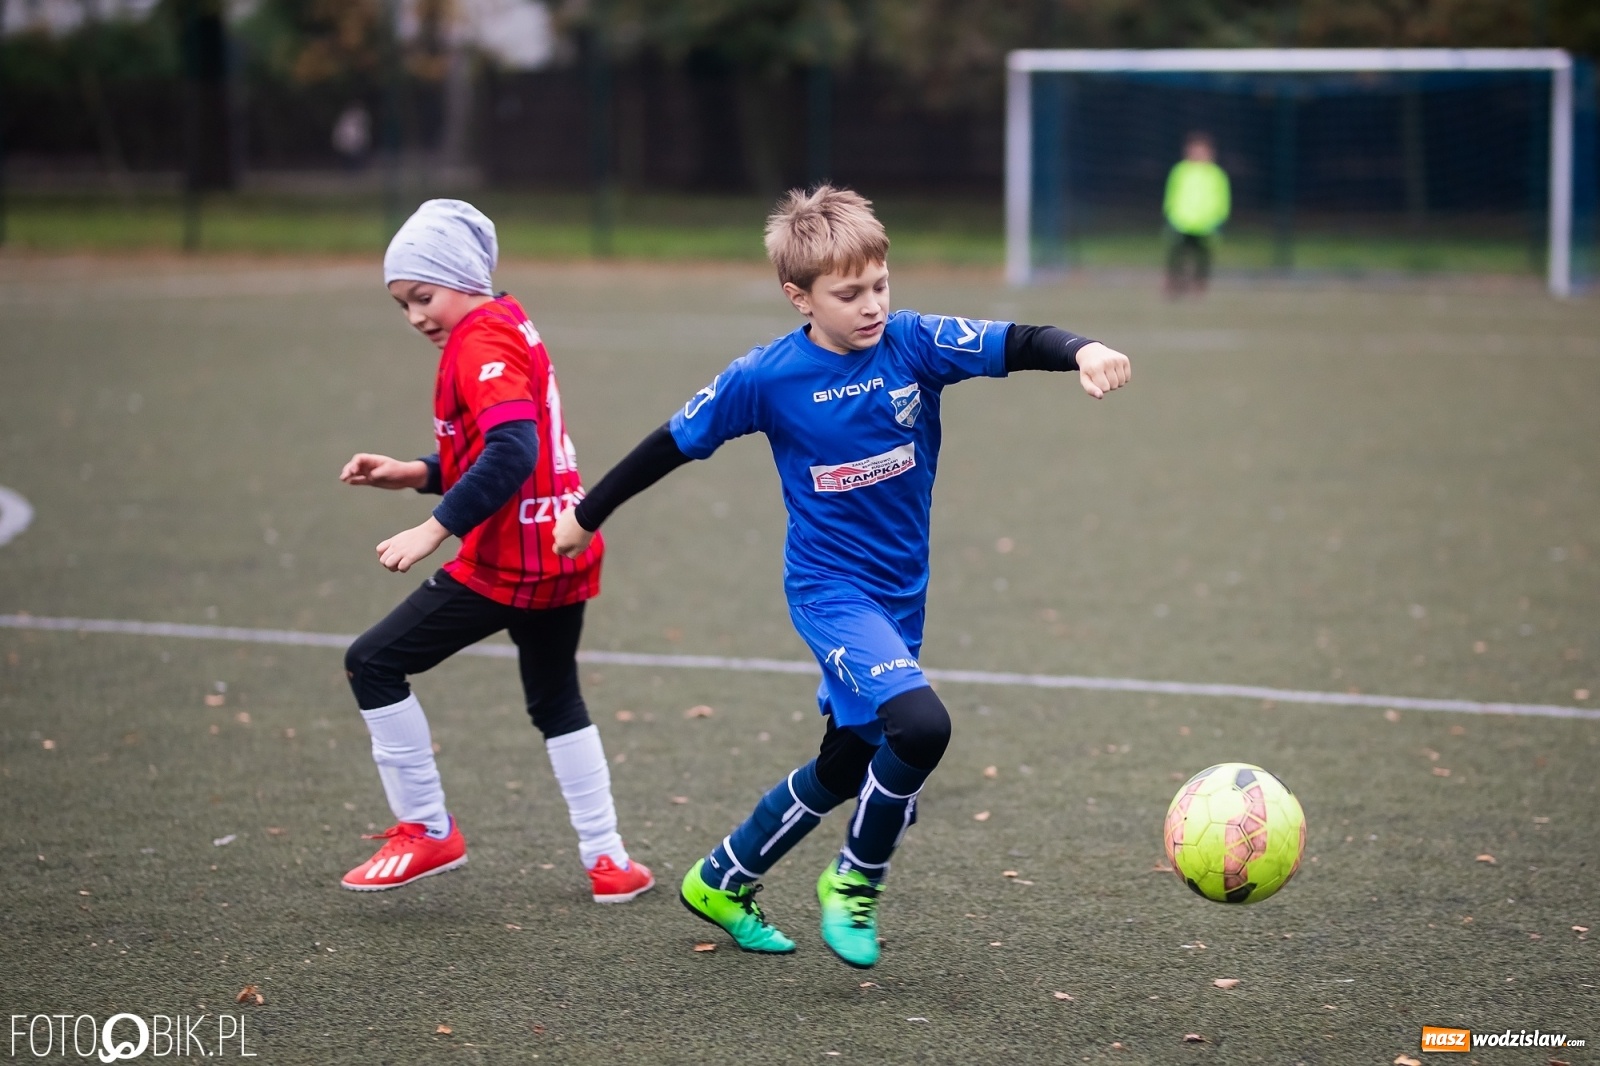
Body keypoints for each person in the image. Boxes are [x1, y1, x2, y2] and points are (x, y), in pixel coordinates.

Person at [551, 185, 1130, 967]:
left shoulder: (915, 344)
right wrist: (587, 513)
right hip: (830, 591)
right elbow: (672, 442)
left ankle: (723, 877)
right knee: (921, 729)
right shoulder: (766, 377)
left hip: (899, 596)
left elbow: (1017, 338)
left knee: (849, 761)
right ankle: (856, 880)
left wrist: (1083, 350)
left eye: (880, 286)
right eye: (848, 293)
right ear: (800, 297)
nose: (871, 306)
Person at [336, 198, 654, 904]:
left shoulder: (477, 341)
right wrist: (417, 473)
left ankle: (425, 829)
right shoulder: (508, 321)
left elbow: (513, 448)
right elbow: (505, 450)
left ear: (462, 276)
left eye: (424, 295)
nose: (417, 316)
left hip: (507, 564)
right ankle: (609, 862)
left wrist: (434, 528)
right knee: (556, 700)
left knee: (373, 664)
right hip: (563, 550)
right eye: (403, 305)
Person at [1163, 131, 1230, 296]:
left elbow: (1222, 198)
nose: (1198, 153)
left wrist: (1219, 219)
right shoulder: (1180, 171)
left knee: (1203, 258)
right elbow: (1172, 194)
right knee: (1176, 254)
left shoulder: (1216, 174)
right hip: (1182, 221)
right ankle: (1173, 283)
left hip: (1206, 224)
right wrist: (1170, 215)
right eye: (1194, 149)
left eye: (1202, 150)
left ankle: (1199, 285)